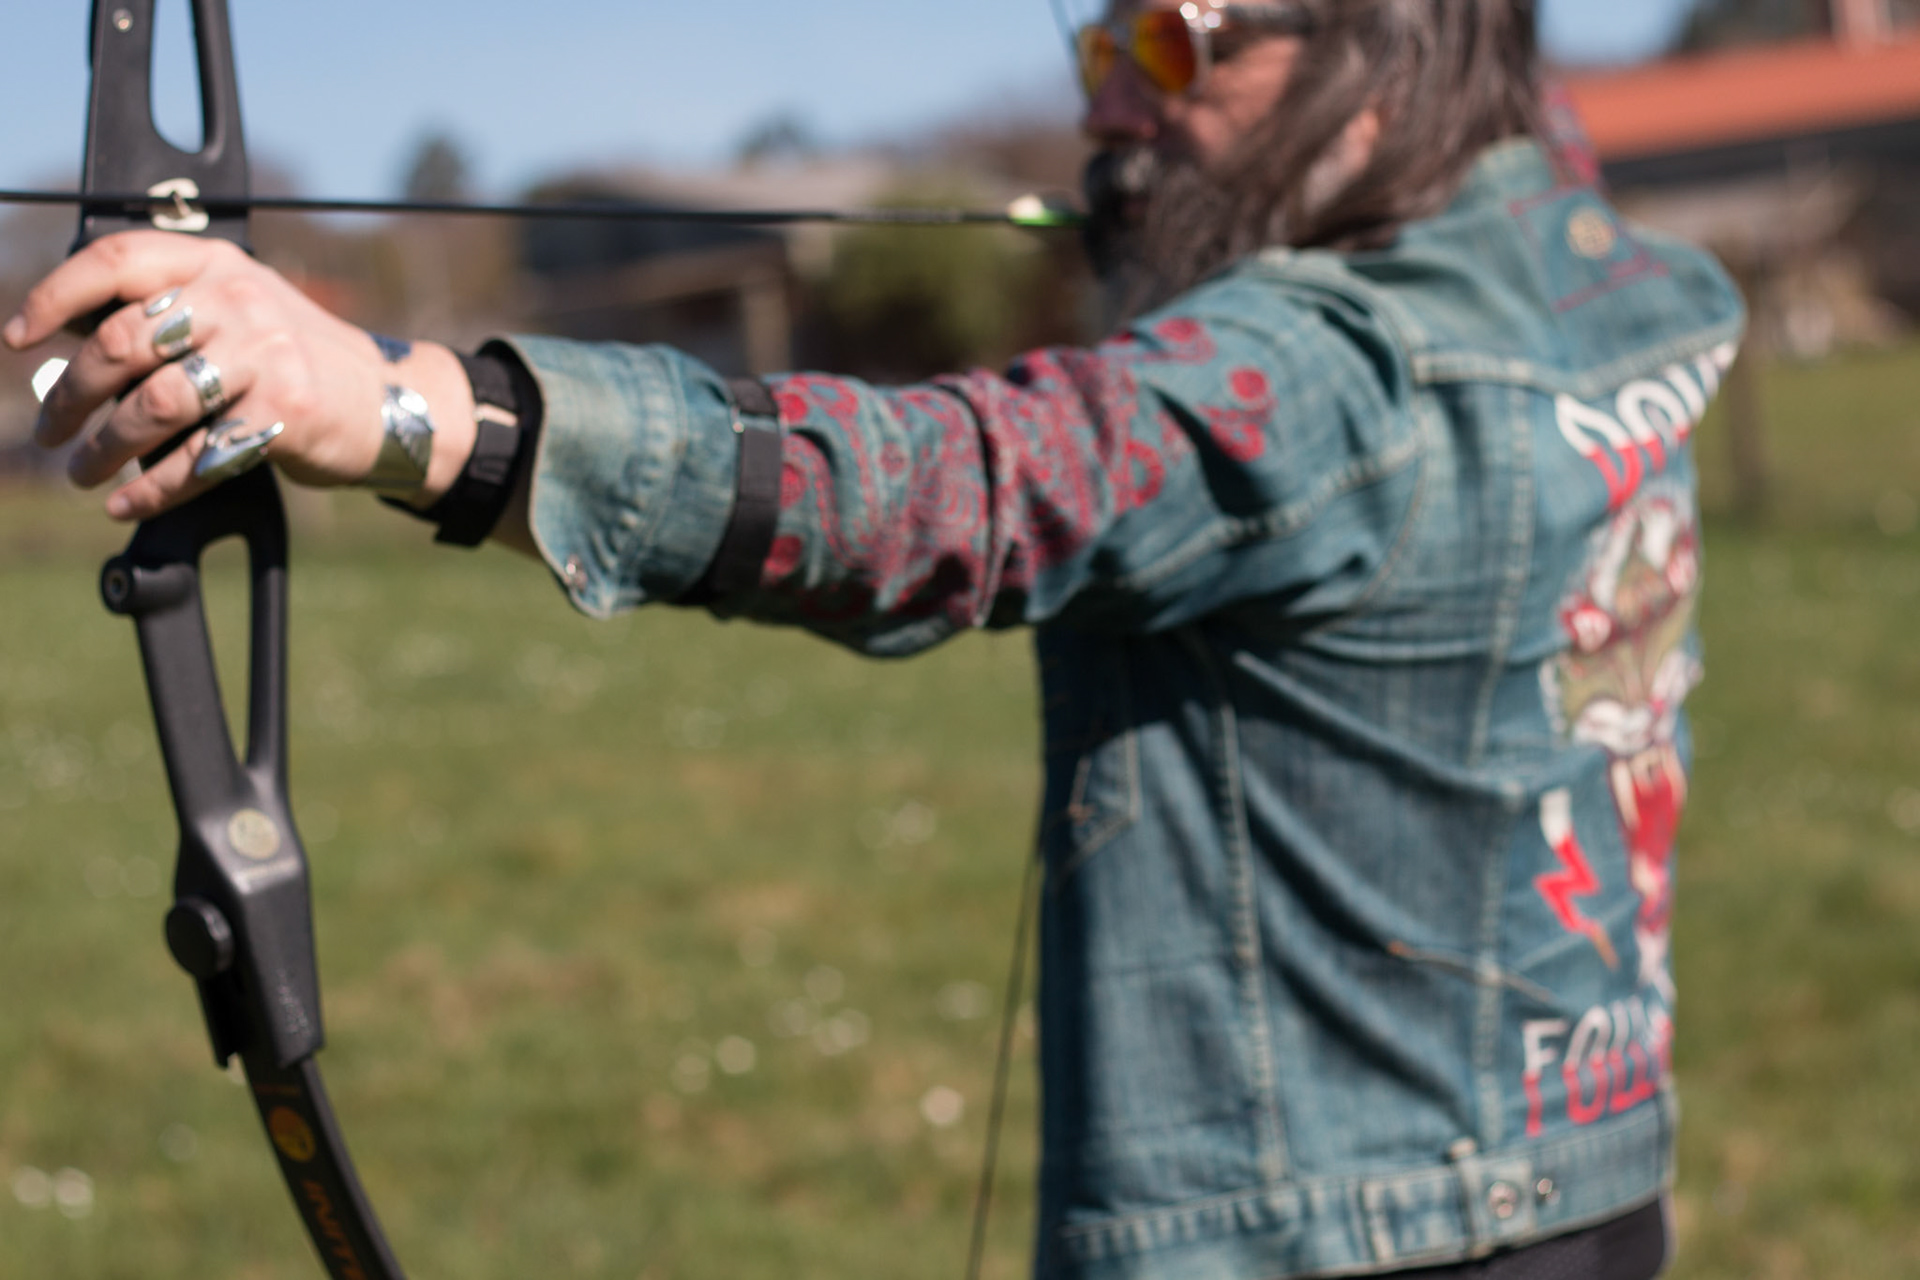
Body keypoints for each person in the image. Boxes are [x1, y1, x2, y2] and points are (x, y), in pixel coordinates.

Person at [6, 2, 1742, 1276]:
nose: (1110, 111)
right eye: (1101, 49)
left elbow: (967, 485)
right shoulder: (1596, 279)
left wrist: (401, 406)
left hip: (1339, 1244)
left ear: (1392, 51)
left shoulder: (1330, 375)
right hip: (1587, 1185)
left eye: (1172, 45)